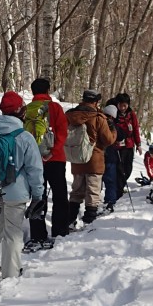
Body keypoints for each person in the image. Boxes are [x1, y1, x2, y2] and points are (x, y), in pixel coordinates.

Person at [0, 92, 45, 282]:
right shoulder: (24, 137)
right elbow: (35, 169)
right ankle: (10, 274)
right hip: (16, 194)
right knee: (13, 234)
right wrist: (38, 194)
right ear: (21, 111)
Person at [25, 77, 69, 249]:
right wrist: (53, 152)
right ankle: (60, 231)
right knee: (59, 195)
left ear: (33, 91)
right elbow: (62, 132)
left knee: (38, 196)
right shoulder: (55, 108)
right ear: (48, 90)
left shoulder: (28, 109)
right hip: (56, 159)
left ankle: (37, 234)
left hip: (35, 160)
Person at [65, 89, 117, 226]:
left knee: (76, 192)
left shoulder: (71, 115)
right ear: (96, 102)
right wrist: (113, 130)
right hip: (94, 160)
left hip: (77, 158)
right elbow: (108, 140)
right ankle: (89, 222)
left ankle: (69, 220)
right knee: (93, 192)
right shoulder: (98, 117)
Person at [112, 93, 141, 195]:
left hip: (129, 145)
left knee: (128, 168)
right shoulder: (114, 114)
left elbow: (136, 129)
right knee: (120, 169)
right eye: (121, 105)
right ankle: (118, 189)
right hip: (118, 146)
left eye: (125, 105)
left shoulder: (131, 114)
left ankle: (121, 186)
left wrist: (138, 144)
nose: (123, 108)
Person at [102, 103, 124, 213]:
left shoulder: (98, 121)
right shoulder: (114, 125)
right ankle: (110, 202)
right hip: (110, 156)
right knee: (110, 181)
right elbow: (122, 135)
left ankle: (92, 204)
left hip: (97, 157)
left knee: (96, 182)